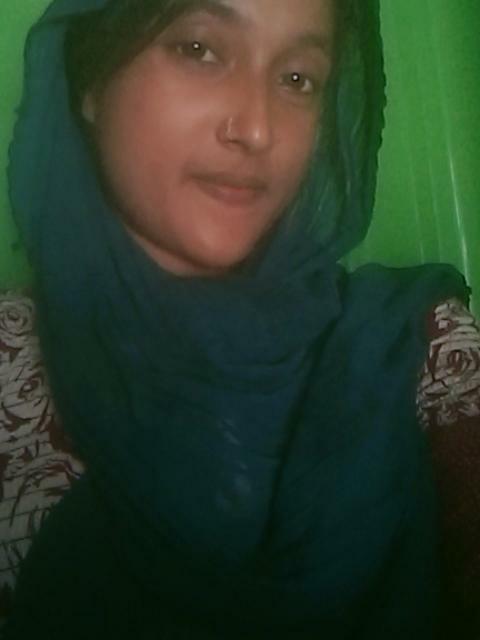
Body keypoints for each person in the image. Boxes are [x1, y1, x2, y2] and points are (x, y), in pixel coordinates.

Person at [2, 0, 479, 637]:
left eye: (297, 79)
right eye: (199, 50)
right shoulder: (8, 367)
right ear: (92, 80)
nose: (256, 129)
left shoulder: (416, 343)